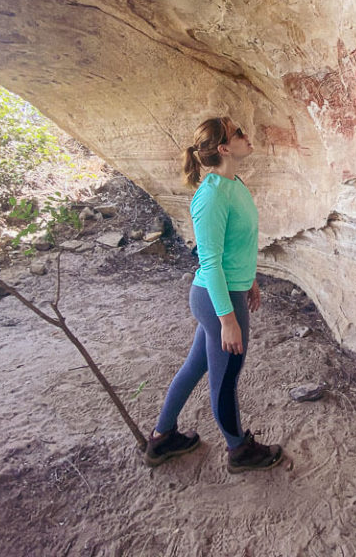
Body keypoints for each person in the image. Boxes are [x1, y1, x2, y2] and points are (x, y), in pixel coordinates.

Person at [145, 116, 283, 473]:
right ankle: (239, 451)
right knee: (225, 378)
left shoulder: (233, 183)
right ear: (223, 148)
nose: (246, 135)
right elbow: (209, 261)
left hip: (228, 292)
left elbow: (236, 246)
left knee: (196, 367)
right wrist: (227, 320)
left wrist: (250, 279)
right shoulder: (211, 197)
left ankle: (162, 438)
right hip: (216, 299)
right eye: (238, 133)